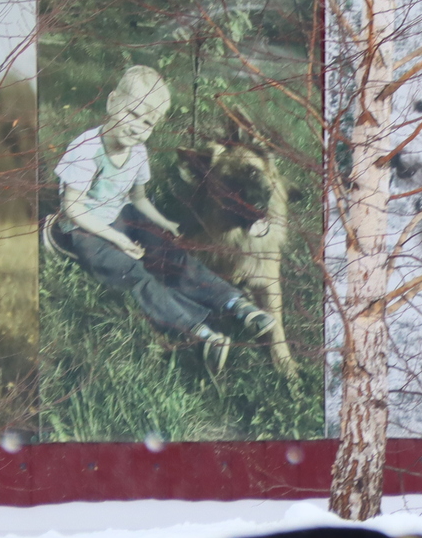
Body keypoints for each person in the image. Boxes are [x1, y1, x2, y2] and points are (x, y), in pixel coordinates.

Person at [50, 65, 273, 376]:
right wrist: (117, 240)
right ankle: (199, 333)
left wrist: (163, 225)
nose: (138, 127)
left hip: (120, 215)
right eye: (133, 114)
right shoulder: (86, 150)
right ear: (112, 102)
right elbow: (73, 207)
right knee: (133, 273)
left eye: (148, 122)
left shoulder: (137, 152)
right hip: (84, 228)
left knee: (169, 254)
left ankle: (235, 304)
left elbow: (138, 199)